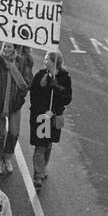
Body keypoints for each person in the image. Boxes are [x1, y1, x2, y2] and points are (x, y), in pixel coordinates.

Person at [0, 43, 31, 175]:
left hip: (15, 104)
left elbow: (27, 80)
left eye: (9, 47)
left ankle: (8, 157)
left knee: (14, 133)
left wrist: (21, 96)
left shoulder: (21, 62)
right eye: (5, 47)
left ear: (14, 48)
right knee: (0, 134)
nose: (6, 49)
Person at [29, 49, 72, 192]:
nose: (44, 61)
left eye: (47, 59)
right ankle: (38, 175)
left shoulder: (65, 78)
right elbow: (34, 96)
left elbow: (67, 99)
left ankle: (43, 167)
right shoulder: (40, 76)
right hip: (42, 117)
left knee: (48, 144)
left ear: (55, 63)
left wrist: (57, 87)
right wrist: (43, 111)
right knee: (40, 145)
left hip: (55, 117)